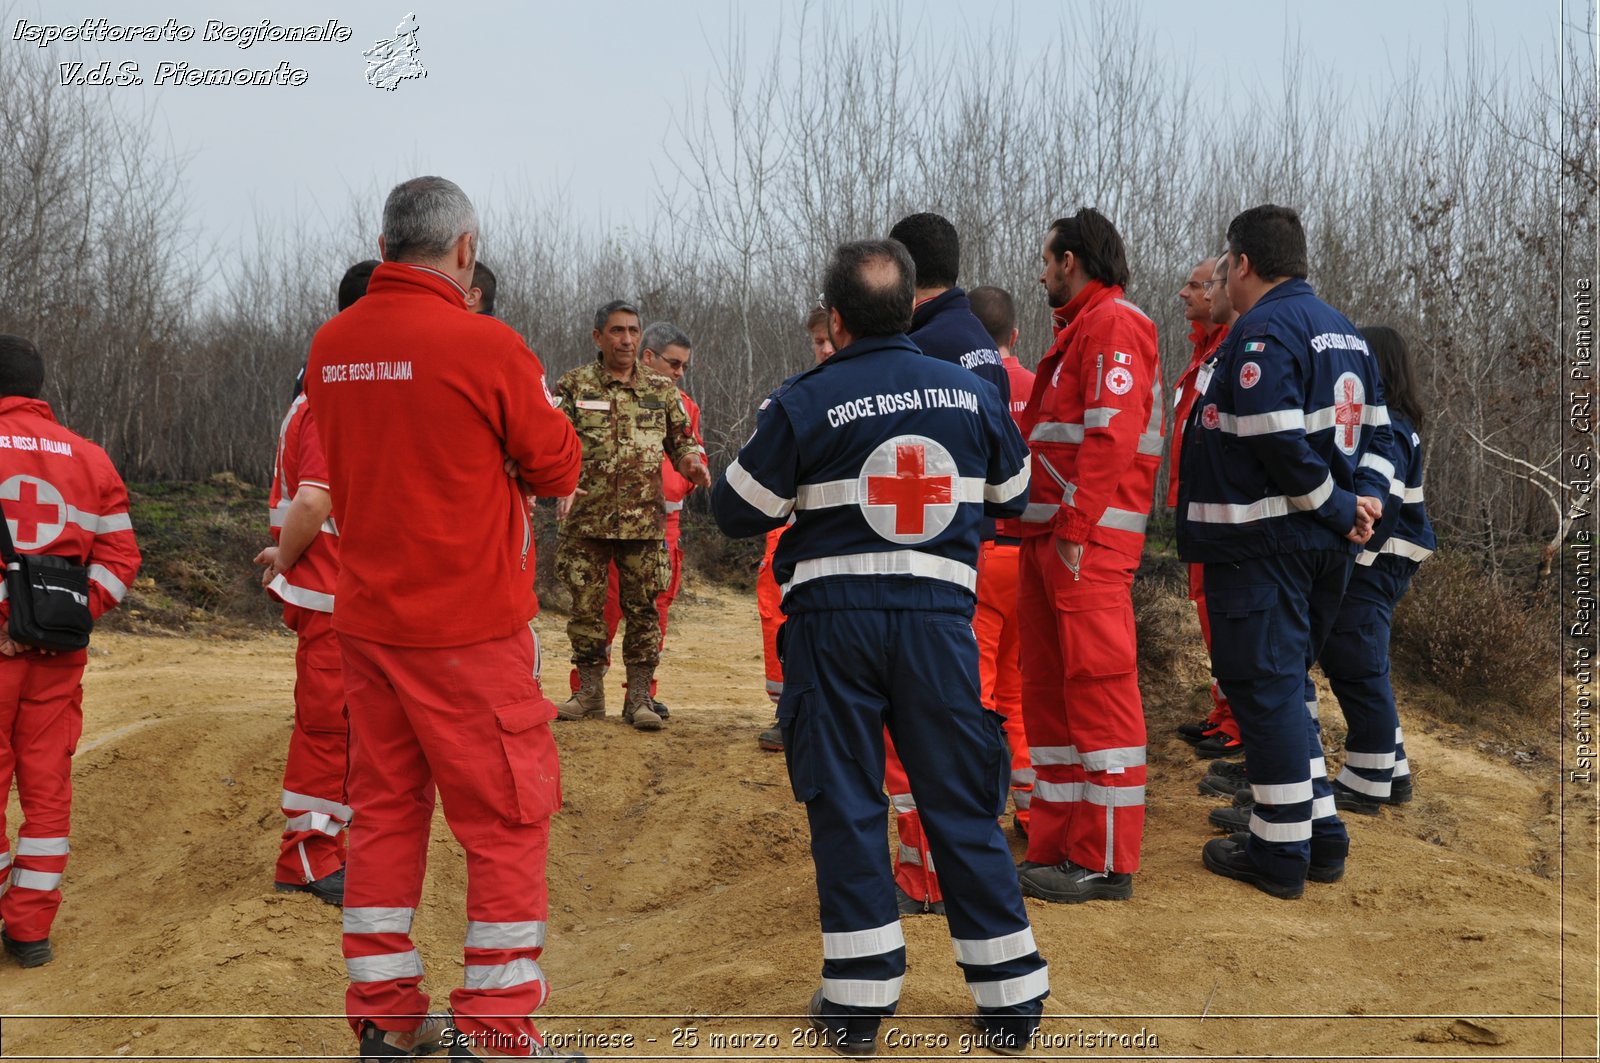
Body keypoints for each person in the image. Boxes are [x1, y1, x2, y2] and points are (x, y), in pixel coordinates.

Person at [711, 239, 1048, 1058]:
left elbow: (736, 508)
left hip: (834, 628)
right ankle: (1011, 1000)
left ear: (835, 319)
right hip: (940, 626)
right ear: (911, 309)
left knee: (848, 802)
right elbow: (1017, 495)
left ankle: (859, 1003)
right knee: (960, 800)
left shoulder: (805, 399)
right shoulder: (975, 392)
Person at [304, 176, 584, 1060]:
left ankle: (387, 1016)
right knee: (506, 821)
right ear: (464, 251)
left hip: (369, 626)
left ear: (386, 244)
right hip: (470, 632)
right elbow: (555, 462)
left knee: (384, 815)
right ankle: (495, 1031)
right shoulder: (487, 345)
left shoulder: (330, 345)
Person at [1176, 203, 1393, 901]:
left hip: (1268, 547)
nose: (1222, 282)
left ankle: (1277, 853)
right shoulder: (1348, 335)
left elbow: (1274, 435)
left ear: (1242, 263)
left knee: (1265, 694)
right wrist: (1361, 504)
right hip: (1317, 546)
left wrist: (1337, 505)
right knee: (1285, 694)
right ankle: (1321, 835)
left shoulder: (1266, 328)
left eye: (1225, 266)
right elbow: (1382, 438)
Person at [1015, 208, 1164, 905]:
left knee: (1099, 694)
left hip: (1086, 545)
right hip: (1052, 540)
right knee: (1050, 698)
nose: (1041, 271)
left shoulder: (1113, 324)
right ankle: (1058, 844)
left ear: (1070, 260)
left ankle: (1105, 859)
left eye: (1046, 259)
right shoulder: (1080, 331)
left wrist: (1075, 521)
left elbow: (1112, 434)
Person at [881, 211, 1012, 915]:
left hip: (933, 557)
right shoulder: (974, 341)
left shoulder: (926, 347)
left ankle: (923, 876)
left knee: (924, 718)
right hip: (970, 548)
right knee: (965, 709)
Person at [0, 334, 141, 968]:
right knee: (48, 790)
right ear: (37, 387)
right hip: (59, 658)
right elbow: (120, 559)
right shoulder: (91, 458)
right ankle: (29, 931)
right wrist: (68, 619)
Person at [254, 261, 377, 908]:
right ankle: (306, 856)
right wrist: (285, 554)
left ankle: (325, 845)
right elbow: (313, 499)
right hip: (329, 594)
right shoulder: (333, 393)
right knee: (329, 730)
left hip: (335, 594)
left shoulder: (323, 382)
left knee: (342, 729)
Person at [553, 302, 709, 732]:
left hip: (643, 524)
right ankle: (587, 694)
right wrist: (560, 481)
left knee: (643, 612)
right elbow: (552, 443)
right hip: (586, 520)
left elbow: (683, 441)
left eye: (633, 331)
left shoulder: (661, 390)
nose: (626, 340)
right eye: (617, 331)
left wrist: (692, 462)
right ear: (597, 336)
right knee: (586, 611)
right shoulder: (574, 386)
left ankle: (639, 698)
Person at [1320, 325, 1434, 814]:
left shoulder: (1389, 425)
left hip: (1378, 561)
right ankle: (1395, 768)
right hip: (1389, 560)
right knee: (1365, 659)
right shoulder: (1400, 422)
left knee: (1357, 662)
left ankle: (1368, 778)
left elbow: (1379, 504)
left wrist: (1352, 555)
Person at [965, 284, 1036, 838]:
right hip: (1029, 558)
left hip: (983, 556)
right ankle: (1032, 808)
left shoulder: (964, 386)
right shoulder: (1039, 387)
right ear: (1014, 335)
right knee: (1018, 689)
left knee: (979, 689)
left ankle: (980, 806)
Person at [1172, 256, 1246, 761]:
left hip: (1220, 512)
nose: (1184, 293)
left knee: (1225, 617)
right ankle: (1223, 712)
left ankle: (1240, 723)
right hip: (1193, 507)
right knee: (1206, 614)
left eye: (1195, 285)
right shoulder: (1202, 354)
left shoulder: (1231, 352)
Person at [756, 308, 834, 753]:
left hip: (838, 535)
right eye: (817, 342)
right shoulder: (789, 398)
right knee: (777, 617)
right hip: (787, 533)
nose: (824, 349)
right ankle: (788, 710)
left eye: (829, 339)